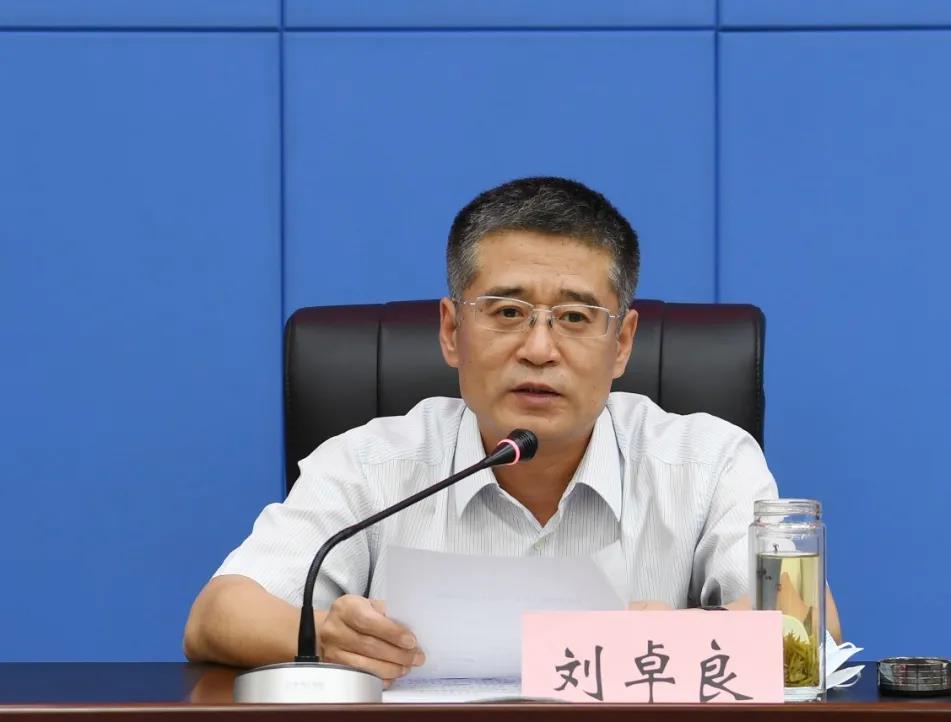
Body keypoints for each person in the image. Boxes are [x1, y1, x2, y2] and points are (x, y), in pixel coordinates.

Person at [183, 176, 841, 685]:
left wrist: (678, 636)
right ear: (451, 330)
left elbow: (809, 632)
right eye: (506, 311)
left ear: (621, 344)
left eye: (576, 318)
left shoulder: (708, 461)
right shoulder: (371, 464)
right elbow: (217, 614)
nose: (539, 349)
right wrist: (325, 636)